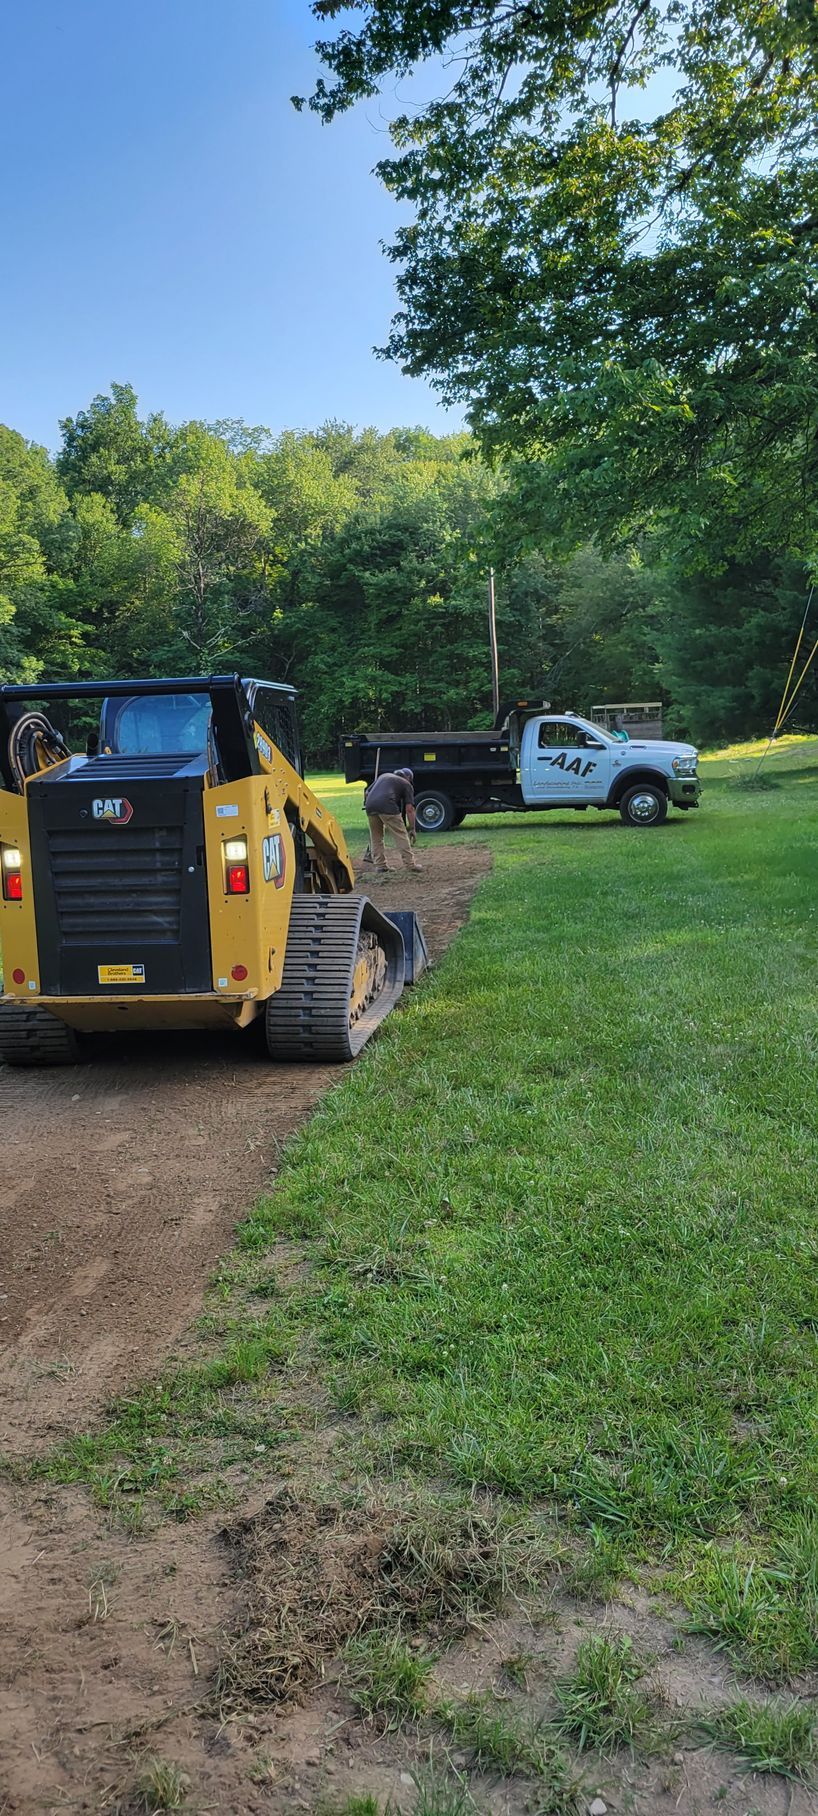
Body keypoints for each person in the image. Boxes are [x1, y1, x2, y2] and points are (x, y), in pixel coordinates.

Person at [364, 766, 422, 873]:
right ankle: (410, 864)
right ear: (408, 777)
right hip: (388, 806)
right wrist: (412, 828)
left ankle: (380, 865)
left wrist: (369, 804)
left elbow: (367, 792)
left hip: (370, 806)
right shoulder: (406, 784)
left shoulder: (383, 776)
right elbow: (409, 809)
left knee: (376, 837)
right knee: (401, 834)